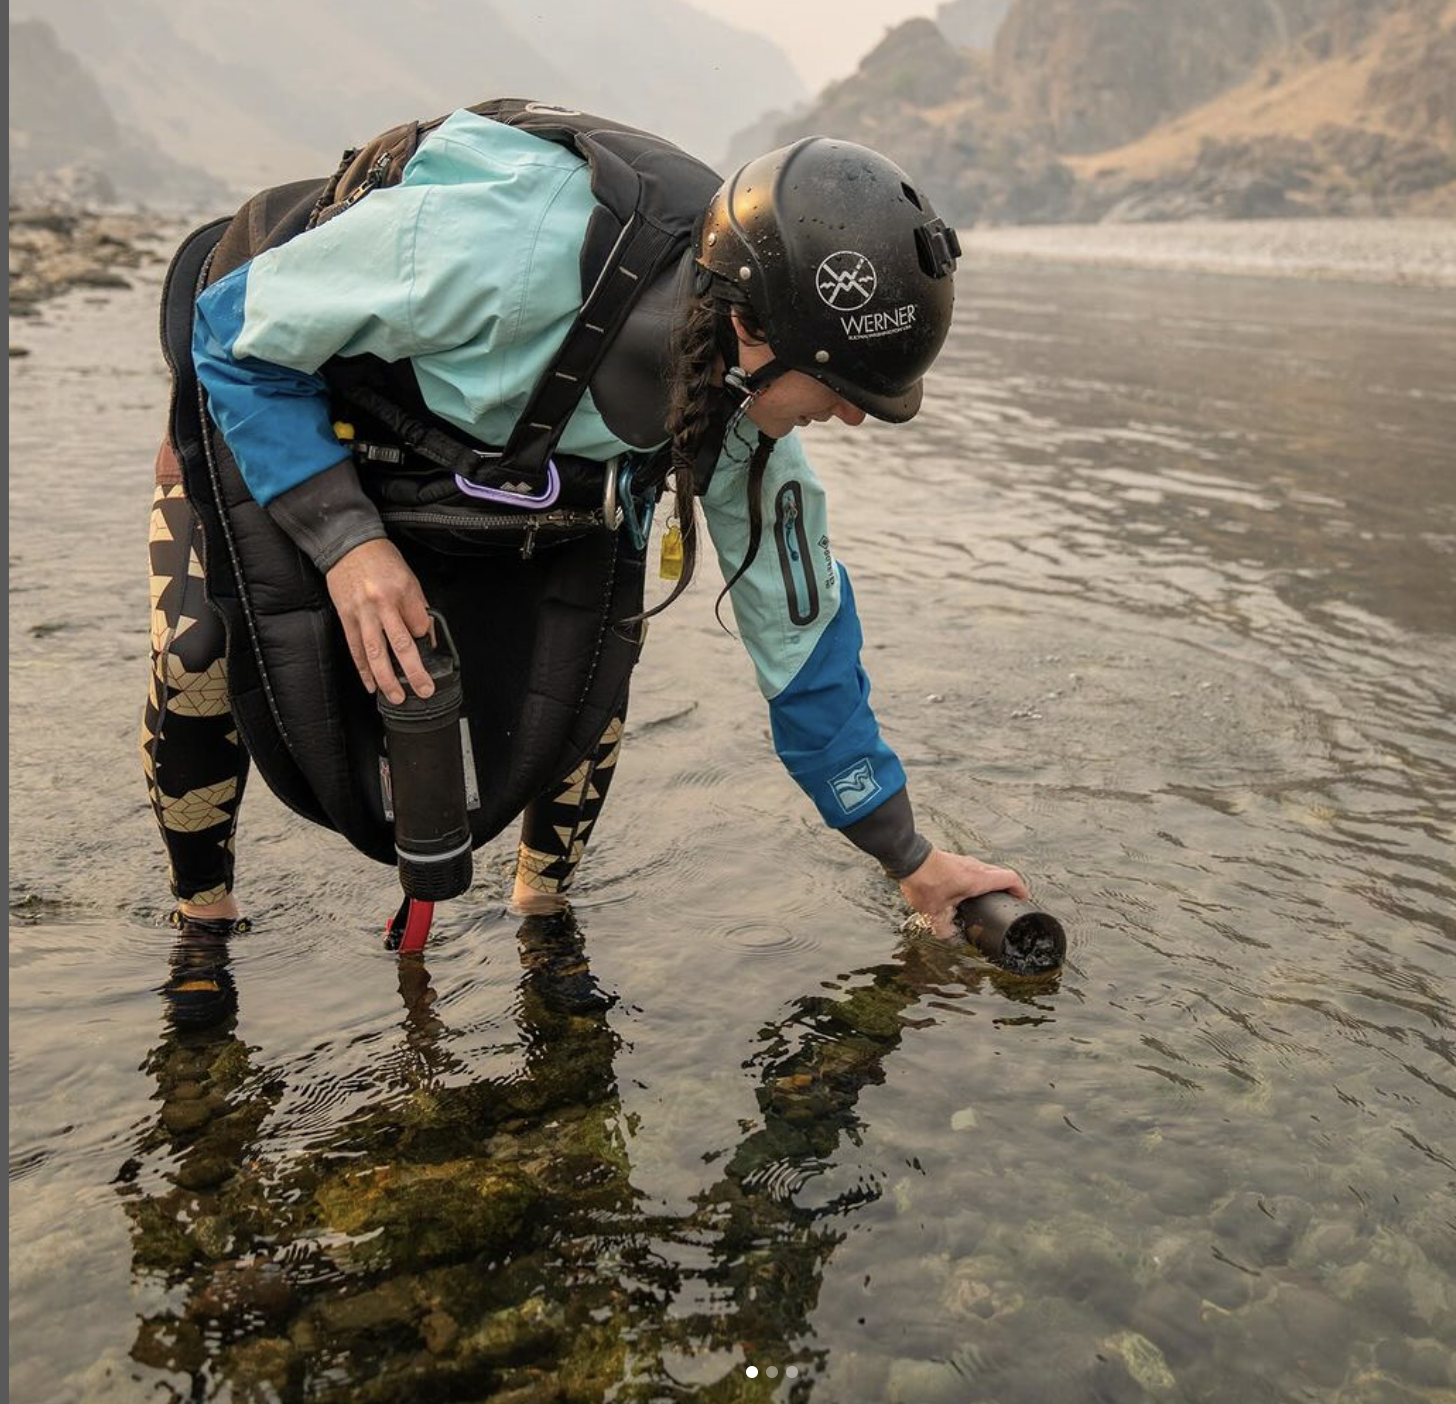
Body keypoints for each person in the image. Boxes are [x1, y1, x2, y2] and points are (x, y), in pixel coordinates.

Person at [142, 101, 1026, 950]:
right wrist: (347, 541)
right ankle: (203, 931)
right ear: (751, 328)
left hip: (515, 457)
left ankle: (543, 925)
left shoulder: (738, 407)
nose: (856, 419)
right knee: (197, 658)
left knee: (588, 691)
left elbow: (800, 632)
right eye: (844, 389)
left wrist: (908, 858)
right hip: (288, 391)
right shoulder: (492, 255)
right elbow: (232, 335)